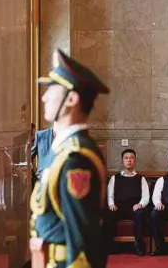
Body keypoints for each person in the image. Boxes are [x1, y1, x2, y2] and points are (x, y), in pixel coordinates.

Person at [29, 48, 109, 268]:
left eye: (51, 90)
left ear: (72, 98)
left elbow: (82, 242)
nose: (44, 97)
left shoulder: (76, 158)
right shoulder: (64, 149)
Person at [106, 148, 150, 255]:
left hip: (134, 208)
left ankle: (138, 245)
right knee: (107, 214)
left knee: (140, 214)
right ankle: (109, 245)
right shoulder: (114, 178)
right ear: (122, 160)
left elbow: (146, 197)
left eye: (131, 158)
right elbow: (109, 195)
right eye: (126, 158)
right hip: (118, 207)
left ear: (135, 160)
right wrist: (111, 204)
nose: (129, 160)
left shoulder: (141, 179)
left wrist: (140, 204)